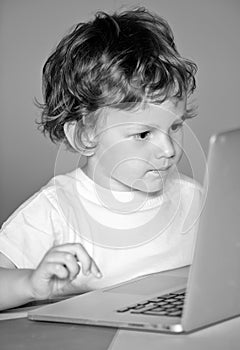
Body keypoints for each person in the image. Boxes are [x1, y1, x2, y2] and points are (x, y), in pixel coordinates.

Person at [0, 7, 202, 311]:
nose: (169, 149)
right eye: (144, 134)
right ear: (85, 136)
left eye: (174, 126)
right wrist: (29, 283)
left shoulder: (192, 198)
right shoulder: (55, 211)